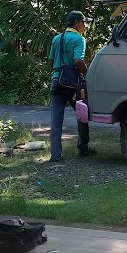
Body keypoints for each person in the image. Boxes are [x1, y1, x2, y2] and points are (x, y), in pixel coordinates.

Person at [48, 10, 95, 162]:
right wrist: (88, 75)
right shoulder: (79, 39)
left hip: (56, 81)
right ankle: (83, 148)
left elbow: (51, 61)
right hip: (73, 84)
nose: (84, 26)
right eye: (83, 23)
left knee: (56, 120)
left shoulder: (57, 39)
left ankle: (55, 155)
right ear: (76, 23)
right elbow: (78, 61)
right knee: (82, 114)